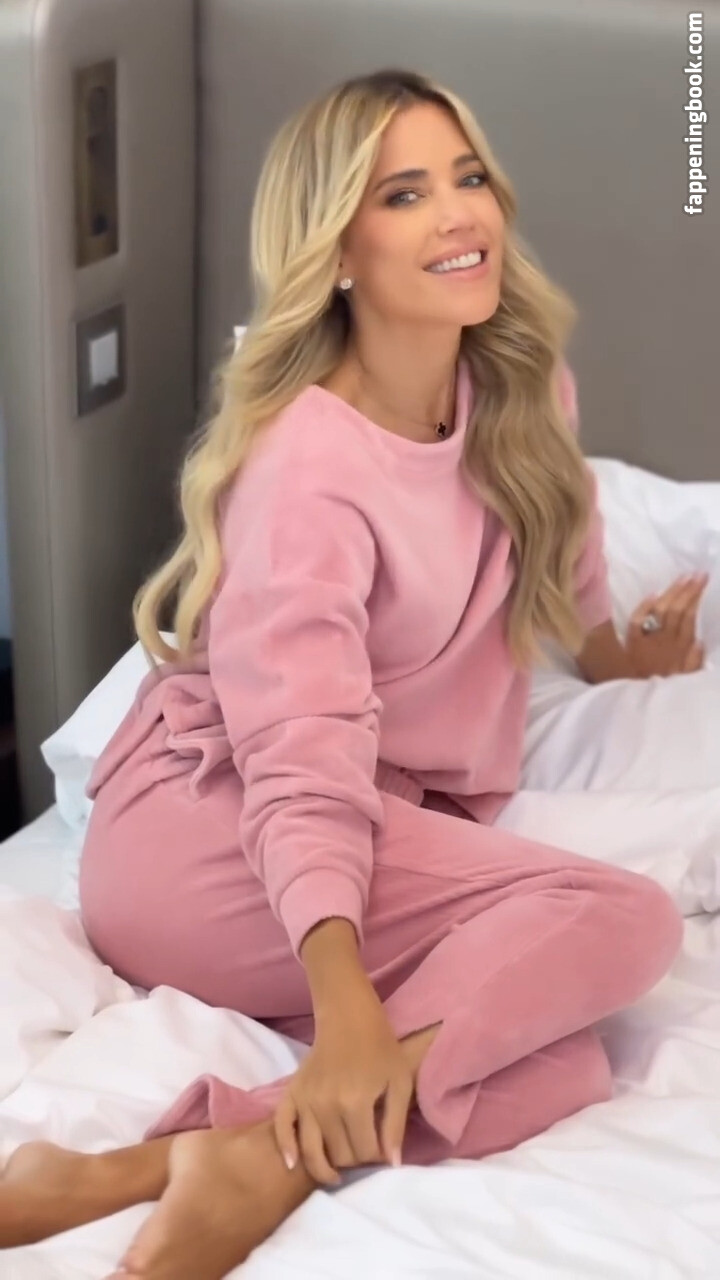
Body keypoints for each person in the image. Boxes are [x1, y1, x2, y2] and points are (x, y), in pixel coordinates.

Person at [1, 67, 705, 1280]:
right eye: (405, 194)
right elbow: (302, 753)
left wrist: (616, 658)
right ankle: (250, 1158)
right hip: (212, 835)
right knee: (620, 919)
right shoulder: (306, 467)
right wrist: (343, 1012)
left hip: (357, 830)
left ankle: (182, 1162)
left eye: (468, 177)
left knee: (560, 1059)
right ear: (336, 250)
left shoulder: (521, 385)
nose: (458, 213)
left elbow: (563, 545)